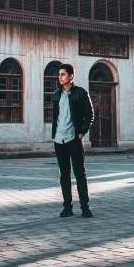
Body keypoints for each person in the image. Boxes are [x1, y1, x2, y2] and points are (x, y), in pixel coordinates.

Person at [52, 63, 94, 218]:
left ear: (71, 76)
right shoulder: (56, 94)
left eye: (63, 74)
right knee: (64, 175)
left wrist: (82, 132)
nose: (60, 77)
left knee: (79, 174)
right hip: (59, 140)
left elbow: (90, 114)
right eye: (59, 74)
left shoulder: (81, 93)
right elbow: (56, 117)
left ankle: (85, 207)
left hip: (74, 139)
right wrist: (55, 135)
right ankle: (67, 207)